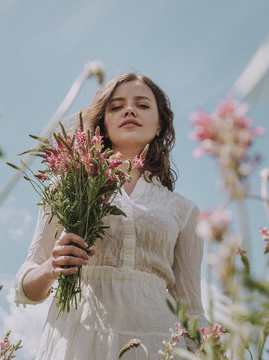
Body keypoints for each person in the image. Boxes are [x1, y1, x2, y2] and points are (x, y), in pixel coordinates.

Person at [14, 73, 208, 359]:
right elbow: (27, 288)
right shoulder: (67, 187)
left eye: (142, 105)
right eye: (116, 107)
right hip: (79, 339)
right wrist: (52, 267)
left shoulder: (183, 209)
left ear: (159, 126)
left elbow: (190, 310)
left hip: (159, 345)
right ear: (103, 123)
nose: (129, 110)